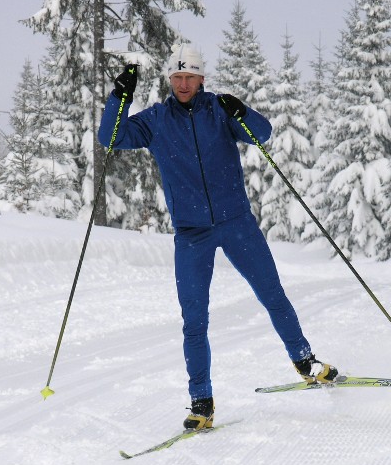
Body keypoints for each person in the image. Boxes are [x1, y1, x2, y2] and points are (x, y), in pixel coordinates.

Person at [98, 43, 337, 431]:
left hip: (236, 222)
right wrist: (118, 98)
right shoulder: (156, 120)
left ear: (201, 78)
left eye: (189, 76)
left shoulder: (218, 111)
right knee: (194, 320)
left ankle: (305, 361)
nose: (183, 83)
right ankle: (202, 401)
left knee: (272, 294)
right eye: (176, 77)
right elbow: (111, 138)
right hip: (192, 233)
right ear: (169, 80)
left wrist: (241, 110)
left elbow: (263, 134)